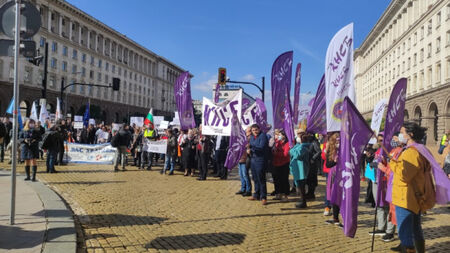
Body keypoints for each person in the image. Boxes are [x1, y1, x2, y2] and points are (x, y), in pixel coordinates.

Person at [380, 122, 429, 253]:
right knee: (415, 229)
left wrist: (392, 163)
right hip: (411, 196)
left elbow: (405, 175)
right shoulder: (418, 149)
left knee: (405, 232)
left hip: (406, 197)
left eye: (402, 133)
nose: (399, 136)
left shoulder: (411, 152)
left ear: (410, 135)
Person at [248, 124, 268, 205]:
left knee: (261, 178)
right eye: (253, 130)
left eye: (256, 130)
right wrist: (249, 149)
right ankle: (256, 194)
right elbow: (251, 146)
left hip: (260, 160)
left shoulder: (263, 136)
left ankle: (263, 196)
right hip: (253, 159)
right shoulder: (252, 137)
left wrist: (251, 147)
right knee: (255, 178)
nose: (255, 132)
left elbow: (261, 147)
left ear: (259, 129)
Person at [324, 132, 342, 227]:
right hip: (334, 174)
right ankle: (335, 218)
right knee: (334, 195)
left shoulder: (343, 150)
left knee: (341, 196)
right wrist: (335, 161)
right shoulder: (330, 150)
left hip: (343, 174)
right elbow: (328, 164)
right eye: (336, 140)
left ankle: (344, 217)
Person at [290, 132, 311, 208]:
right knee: (299, 185)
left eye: (298, 137)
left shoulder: (304, 147)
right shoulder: (299, 145)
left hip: (301, 169)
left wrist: (291, 150)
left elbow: (297, 155)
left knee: (301, 186)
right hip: (297, 169)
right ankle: (302, 200)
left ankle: (303, 202)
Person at [272, 130, 290, 201]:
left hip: (284, 163)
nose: (279, 136)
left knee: (284, 180)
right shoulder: (276, 142)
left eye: (280, 135)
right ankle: (278, 194)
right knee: (276, 180)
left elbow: (285, 154)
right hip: (275, 163)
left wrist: (277, 153)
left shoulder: (287, 144)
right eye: (278, 134)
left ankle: (285, 195)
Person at [236, 127, 252, 196]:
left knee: (245, 175)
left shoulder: (250, 138)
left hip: (245, 159)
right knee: (241, 175)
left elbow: (248, 146)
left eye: (247, 130)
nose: (246, 131)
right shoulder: (242, 137)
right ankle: (243, 189)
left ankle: (248, 190)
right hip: (240, 158)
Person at [307, 134, 321, 199]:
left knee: (312, 178)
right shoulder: (309, 142)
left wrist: (313, 158)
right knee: (309, 178)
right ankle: (309, 192)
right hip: (309, 163)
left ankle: (311, 193)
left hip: (313, 163)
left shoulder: (314, 142)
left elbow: (319, 151)